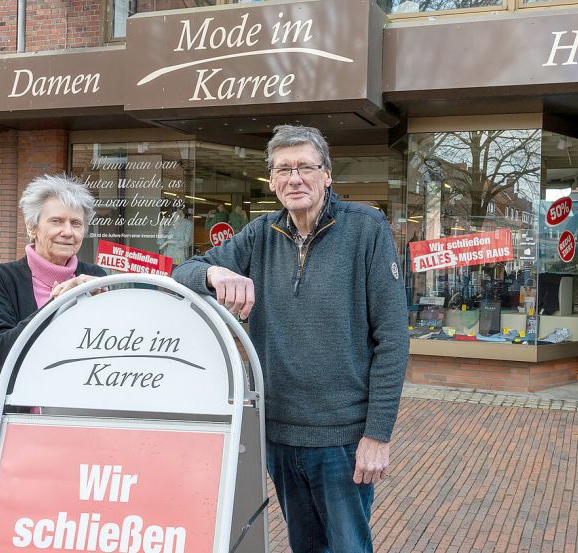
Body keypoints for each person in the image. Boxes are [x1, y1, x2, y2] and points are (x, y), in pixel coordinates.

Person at [173, 125, 409, 552]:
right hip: (279, 435)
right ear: (272, 180)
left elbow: (392, 339)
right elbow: (183, 273)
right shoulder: (261, 234)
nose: (294, 178)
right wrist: (215, 272)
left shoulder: (366, 229)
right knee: (305, 546)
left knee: (349, 547)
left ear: (327, 175)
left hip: (342, 439)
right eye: (283, 169)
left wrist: (378, 434)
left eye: (305, 167)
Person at [0, 174, 106, 478]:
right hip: (19, 427)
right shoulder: (1, 278)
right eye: (56, 221)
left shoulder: (97, 276)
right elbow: (0, 347)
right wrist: (58, 304)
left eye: (76, 223)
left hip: (80, 425)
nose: (67, 232)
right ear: (32, 228)